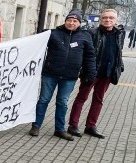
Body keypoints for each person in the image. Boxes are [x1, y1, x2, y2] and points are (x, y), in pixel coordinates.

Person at [30, 10, 96, 140]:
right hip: (50, 74)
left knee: (62, 102)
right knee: (43, 100)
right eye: (69, 20)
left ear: (79, 23)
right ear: (65, 21)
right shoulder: (54, 34)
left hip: (69, 77)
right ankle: (36, 126)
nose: (71, 23)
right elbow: (36, 40)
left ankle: (59, 129)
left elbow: (90, 57)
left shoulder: (85, 36)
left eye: (75, 21)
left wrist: (91, 73)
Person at [68, 8, 125, 139]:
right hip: (91, 73)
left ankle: (91, 126)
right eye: (105, 17)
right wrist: (85, 70)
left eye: (111, 18)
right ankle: (73, 125)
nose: (108, 20)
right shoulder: (91, 33)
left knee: (98, 100)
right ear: (101, 19)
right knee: (81, 98)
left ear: (116, 20)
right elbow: (83, 52)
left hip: (108, 73)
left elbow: (119, 53)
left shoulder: (119, 34)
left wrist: (119, 67)